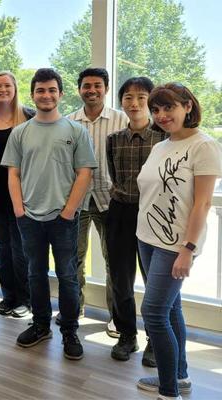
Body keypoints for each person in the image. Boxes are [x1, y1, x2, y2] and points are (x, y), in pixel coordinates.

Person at [2, 68, 96, 360]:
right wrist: (19, 209)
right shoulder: (20, 132)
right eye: (41, 90)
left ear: (60, 94)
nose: (46, 95)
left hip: (64, 219)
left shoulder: (75, 131)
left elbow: (84, 173)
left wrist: (69, 210)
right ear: (33, 94)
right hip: (29, 218)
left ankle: (69, 330)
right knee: (35, 273)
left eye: (52, 90)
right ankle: (41, 324)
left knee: (67, 276)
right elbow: (13, 174)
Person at [136, 83, 222, 399]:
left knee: (154, 313)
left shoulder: (204, 146)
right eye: (156, 110)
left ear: (187, 106)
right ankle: (180, 377)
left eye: (168, 107)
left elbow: (202, 204)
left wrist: (188, 249)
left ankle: (168, 390)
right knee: (171, 309)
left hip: (176, 244)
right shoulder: (161, 145)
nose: (161, 115)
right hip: (146, 237)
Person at [106, 77, 167, 366]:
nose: (134, 103)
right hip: (119, 211)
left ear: (151, 102)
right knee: (120, 276)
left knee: (152, 279)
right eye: (128, 97)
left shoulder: (164, 139)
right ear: (121, 102)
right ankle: (127, 334)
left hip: (152, 215)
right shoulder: (114, 140)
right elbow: (115, 177)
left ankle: (155, 339)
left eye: (141, 98)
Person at [66, 68, 128, 337]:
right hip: (77, 200)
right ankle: (74, 309)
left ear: (106, 88)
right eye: (86, 85)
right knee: (73, 258)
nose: (92, 90)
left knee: (115, 261)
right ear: (79, 88)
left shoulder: (121, 120)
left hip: (110, 200)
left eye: (97, 85)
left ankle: (117, 317)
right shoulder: (68, 121)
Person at [0, 71, 34, 318]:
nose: (2, 89)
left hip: (23, 195)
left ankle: (26, 299)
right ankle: (8, 296)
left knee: (20, 248)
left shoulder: (29, 118)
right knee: (2, 246)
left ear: (15, 89)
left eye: (7, 85)